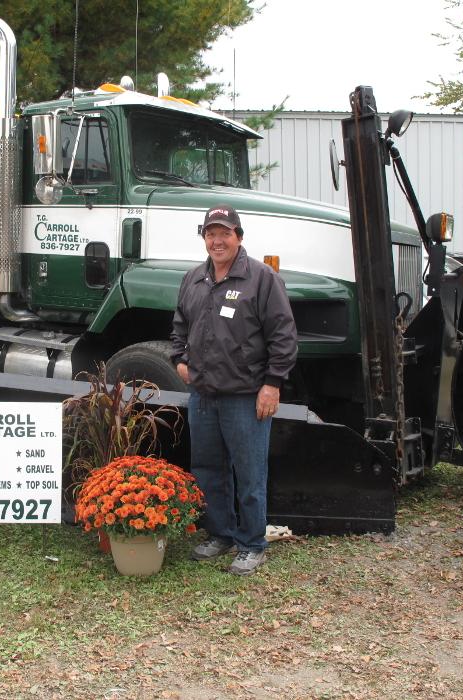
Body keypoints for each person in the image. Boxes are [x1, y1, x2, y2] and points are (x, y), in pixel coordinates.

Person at [170, 204, 297, 576]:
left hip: (246, 395)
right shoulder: (193, 279)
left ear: (238, 237)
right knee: (208, 469)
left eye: (224, 233)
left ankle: (252, 543)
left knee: (249, 472)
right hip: (203, 394)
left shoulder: (261, 278)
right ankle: (221, 533)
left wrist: (272, 384)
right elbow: (179, 326)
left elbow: (284, 336)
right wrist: (179, 360)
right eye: (210, 234)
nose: (217, 240)